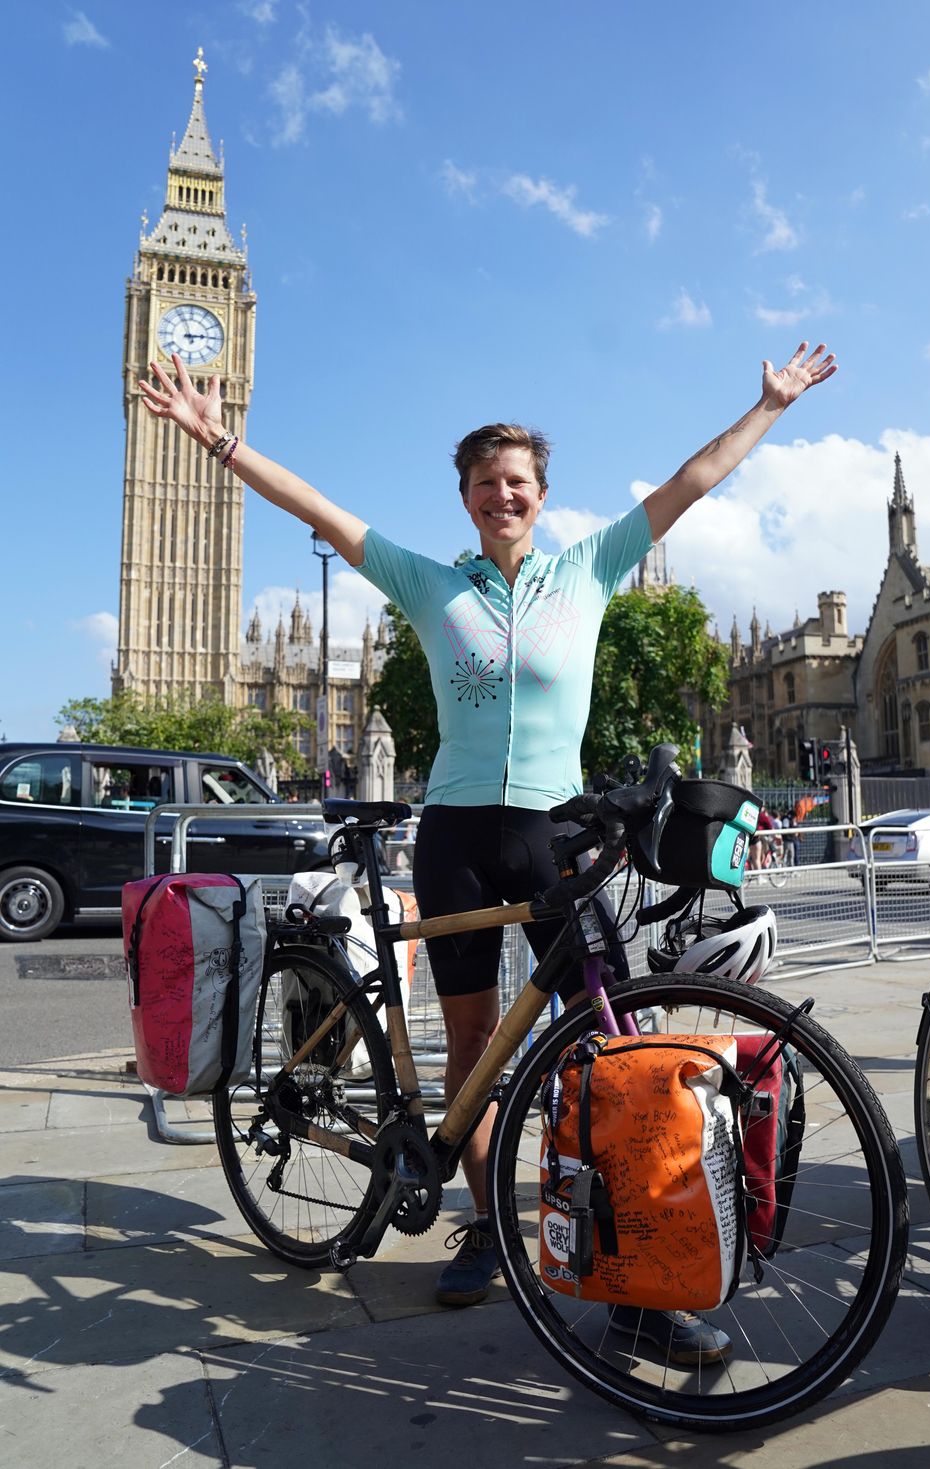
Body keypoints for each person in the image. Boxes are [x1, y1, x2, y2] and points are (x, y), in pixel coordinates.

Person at [140, 339, 836, 1359]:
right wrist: (220, 442)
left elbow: (692, 480)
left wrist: (766, 404)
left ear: (540, 495)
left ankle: (629, 1267)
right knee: (471, 1052)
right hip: (457, 836)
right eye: (482, 482)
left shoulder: (590, 567)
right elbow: (322, 512)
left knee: (604, 1049)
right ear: (465, 496)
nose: (499, 495)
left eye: (516, 481)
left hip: (557, 831)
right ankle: (486, 1223)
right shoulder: (430, 585)